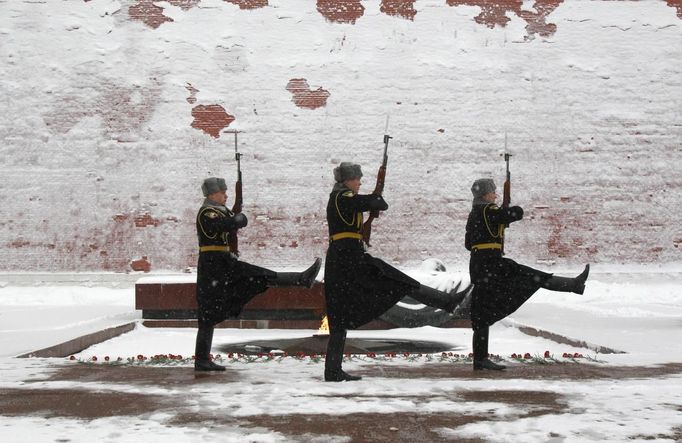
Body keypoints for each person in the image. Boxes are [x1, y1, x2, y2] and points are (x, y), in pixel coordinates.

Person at [323, 162, 468, 382]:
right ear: (346, 181)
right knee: (341, 315)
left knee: (394, 284)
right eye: (357, 178)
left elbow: (378, 204)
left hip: (350, 259)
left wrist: (374, 201)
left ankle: (333, 371)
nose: (360, 182)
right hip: (346, 260)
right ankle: (332, 371)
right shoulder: (341, 198)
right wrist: (375, 197)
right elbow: (377, 202)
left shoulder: (347, 199)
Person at [195, 177, 321, 371]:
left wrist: (235, 218)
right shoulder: (207, 212)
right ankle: (202, 360)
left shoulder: (219, 211)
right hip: (213, 264)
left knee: (256, 276)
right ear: (212, 194)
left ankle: (300, 279)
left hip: (222, 262)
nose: (226, 195)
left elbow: (228, 222)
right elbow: (216, 227)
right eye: (222, 192)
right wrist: (234, 220)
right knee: (208, 311)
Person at [465, 178, 590, 370]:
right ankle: (572, 285)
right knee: (530, 277)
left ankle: (480, 359)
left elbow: (468, 244)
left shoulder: (474, 213)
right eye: (493, 192)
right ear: (485, 194)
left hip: (479, 264)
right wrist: (506, 209)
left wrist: (494, 227)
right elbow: (517, 213)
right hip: (492, 264)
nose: (496, 195)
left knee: (482, 311)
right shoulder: (489, 210)